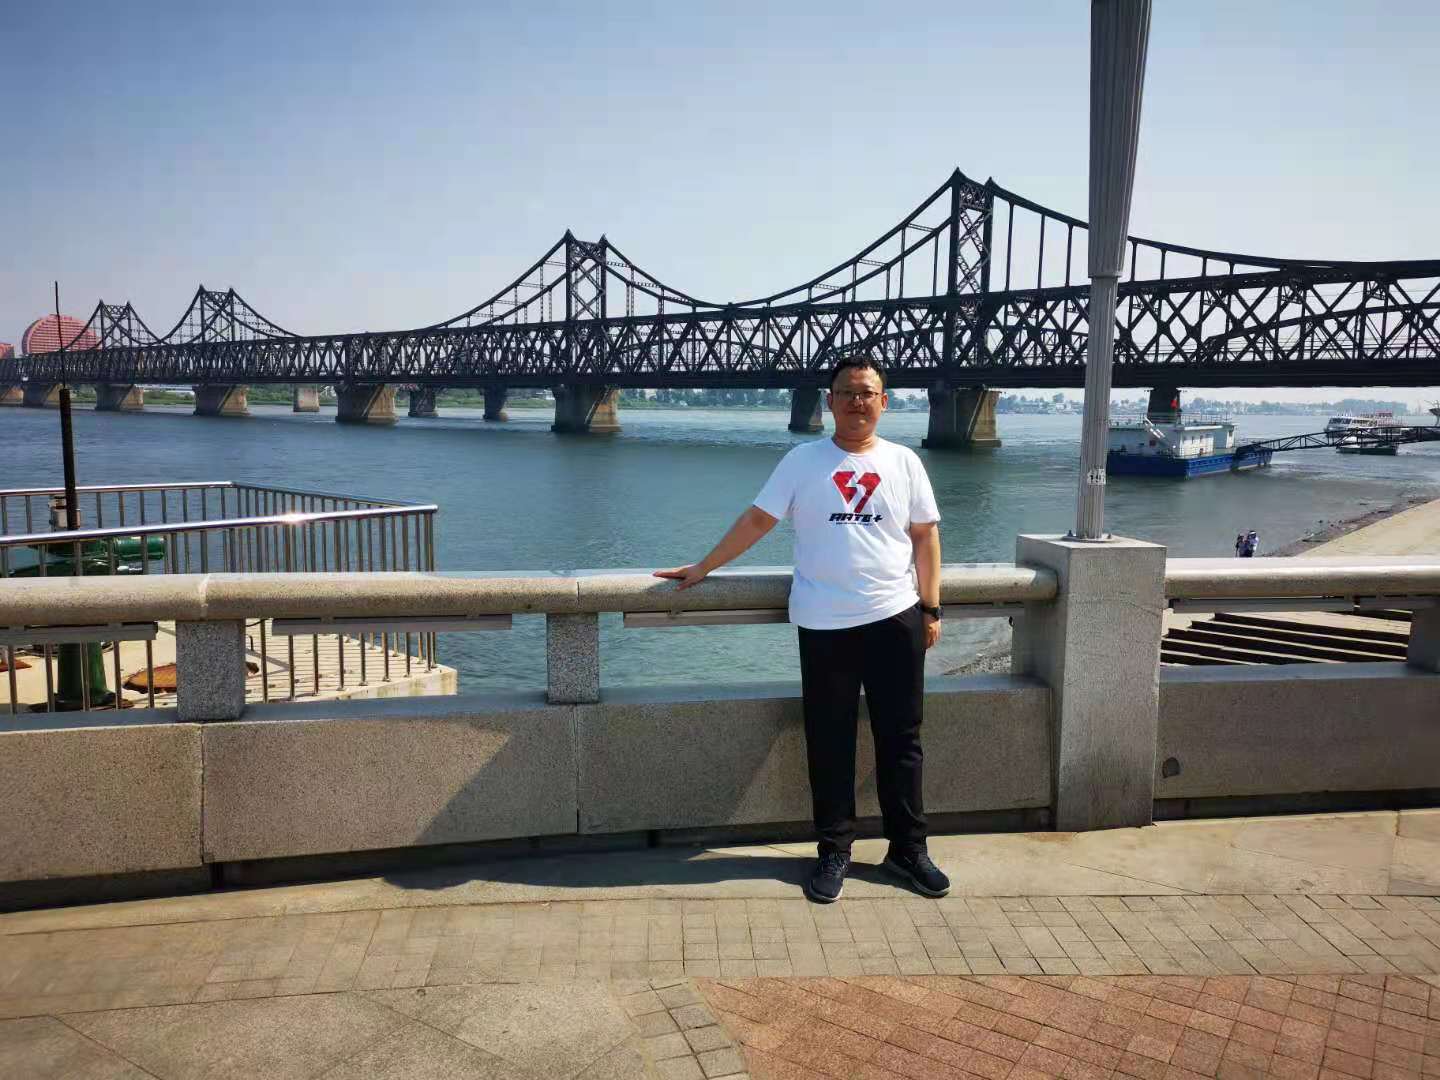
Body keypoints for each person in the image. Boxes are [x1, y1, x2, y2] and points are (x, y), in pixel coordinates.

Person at [654, 355, 948, 904]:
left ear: (884, 402)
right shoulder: (802, 461)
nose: (857, 401)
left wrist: (930, 610)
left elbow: (925, 536)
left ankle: (908, 849)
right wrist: (704, 567)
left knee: (902, 742)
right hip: (823, 622)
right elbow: (758, 520)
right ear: (829, 401)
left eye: (868, 392)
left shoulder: (905, 461)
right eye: (847, 392)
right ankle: (834, 851)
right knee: (830, 742)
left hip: (895, 616)